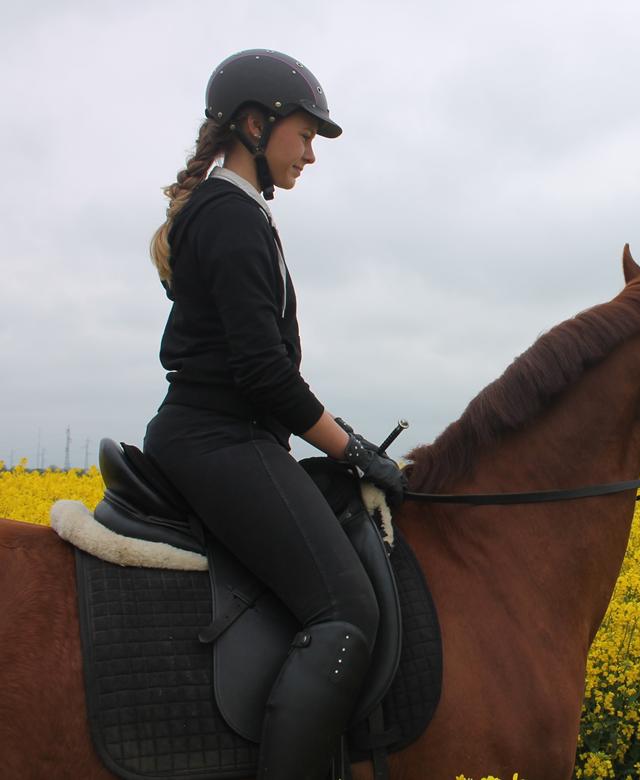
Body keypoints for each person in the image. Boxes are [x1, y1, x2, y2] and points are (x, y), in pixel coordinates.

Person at [142, 49, 405, 778]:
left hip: (225, 434)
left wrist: (337, 438)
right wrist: (352, 449)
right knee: (347, 613)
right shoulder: (231, 216)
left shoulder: (232, 212)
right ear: (254, 125)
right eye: (305, 135)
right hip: (218, 438)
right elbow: (264, 375)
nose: (311, 155)